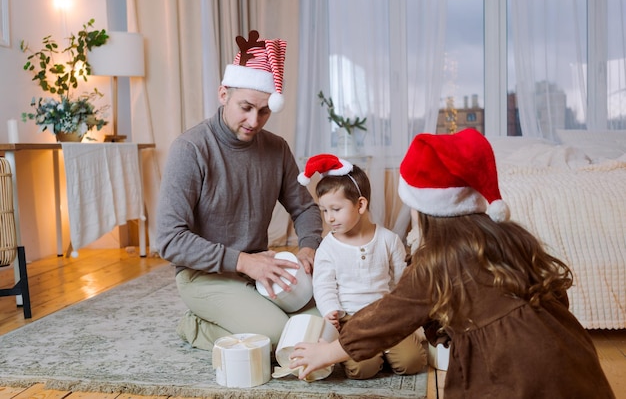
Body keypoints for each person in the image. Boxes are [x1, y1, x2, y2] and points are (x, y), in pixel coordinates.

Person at [289, 129, 615, 398]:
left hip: (517, 376)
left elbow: (390, 315)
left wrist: (327, 353)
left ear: (427, 212)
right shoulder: (510, 236)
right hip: (576, 361)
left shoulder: (435, 263)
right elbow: (556, 294)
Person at [156, 30, 323, 351]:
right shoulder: (190, 149)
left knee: (320, 321)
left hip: (258, 268)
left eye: (264, 111)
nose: (254, 120)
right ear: (223, 94)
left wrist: (308, 247)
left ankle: (248, 313)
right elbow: (169, 240)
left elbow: (304, 208)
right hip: (203, 275)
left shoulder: (277, 148)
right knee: (278, 338)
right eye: (245, 107)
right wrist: (244, 262)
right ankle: (197, 326)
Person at [297, 153, 427, 379]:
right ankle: (372, 356)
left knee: (412, 363)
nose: (329, 218)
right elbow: (324, 284)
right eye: (324, 210)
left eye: (335, 209)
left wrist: (403, 317)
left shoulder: (388, 240)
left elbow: (400, 281)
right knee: (360, 370)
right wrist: (330, 310)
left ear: (360, 204)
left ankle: (386, 350)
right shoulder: (328, 247)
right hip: (351, 319)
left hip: (386, 315)